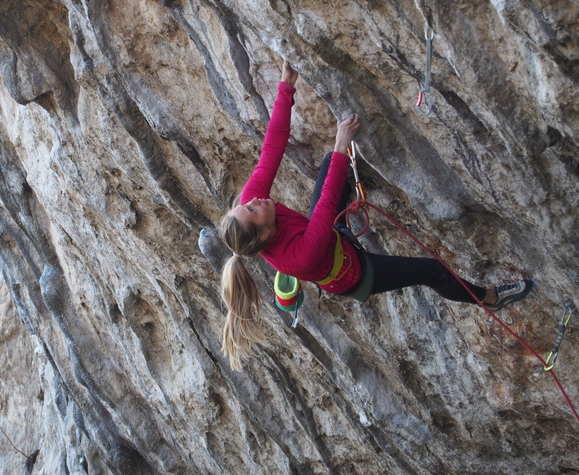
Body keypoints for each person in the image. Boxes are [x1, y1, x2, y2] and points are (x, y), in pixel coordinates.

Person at [219, 61, 533, 370]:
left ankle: (351, 173)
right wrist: (341, 145)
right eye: (252, 209)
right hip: (354, 272)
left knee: (332, 166)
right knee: (432, 270)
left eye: (247, 204)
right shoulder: (297, 257)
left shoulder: (252, 208)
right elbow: (325, 208)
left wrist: (286, 86)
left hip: (330, 236)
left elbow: (271, 149)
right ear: (262, 234)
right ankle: (488, 297)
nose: (256, 200)